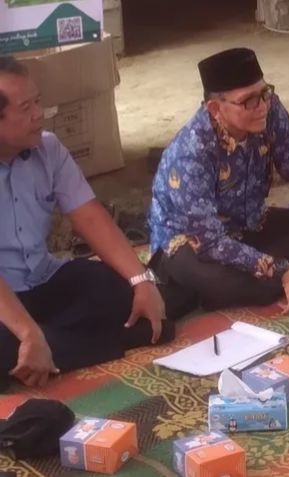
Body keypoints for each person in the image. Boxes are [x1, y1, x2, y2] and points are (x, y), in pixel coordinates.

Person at [148, 48, 289, 315]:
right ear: (216, 108)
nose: (262, 106)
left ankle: (276, 274)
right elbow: (211, 242)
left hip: (250, 225)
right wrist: (283, 271)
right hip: (191, 245)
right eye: (248, 101)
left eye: (264, 93)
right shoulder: (191, 153)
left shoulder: (269, 110)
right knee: (216, 279)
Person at [0, 55, 169, 389]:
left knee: (118, 290)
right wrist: (27, 330)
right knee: (8, 343)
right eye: (25, 108)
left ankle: (41, 353)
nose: (39, 115)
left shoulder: (48, 149)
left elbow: (90, 217)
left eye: (38, 101)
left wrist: (142, 279)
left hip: (41, 277)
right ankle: (52, 344)